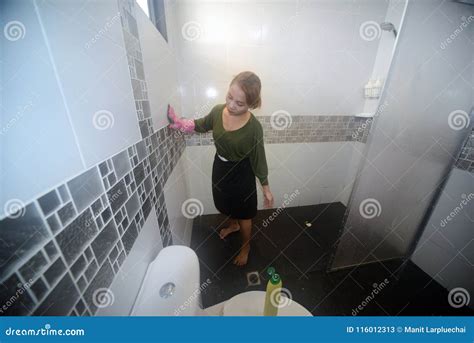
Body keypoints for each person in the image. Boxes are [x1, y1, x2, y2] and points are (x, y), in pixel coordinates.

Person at [168, 71, 274, 266]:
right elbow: (201, 125)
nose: (232, 105)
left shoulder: (254, 128)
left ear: (251, 104)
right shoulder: (218, 111)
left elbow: (259, 157)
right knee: (225, 202)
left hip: (242, 173)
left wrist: (265, 187)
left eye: (239, 103)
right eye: (230, 97)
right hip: (221, 167)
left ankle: (246, 246)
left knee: (244, 212)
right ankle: (233, 225)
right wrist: (181, 124)